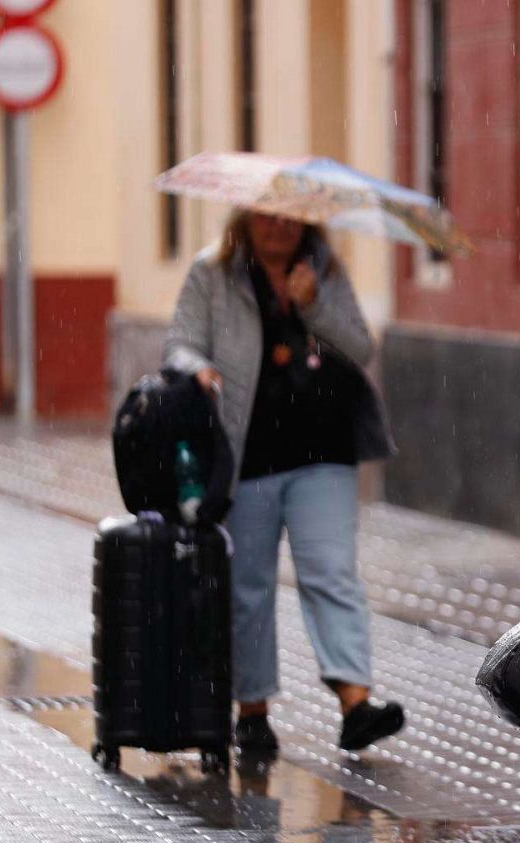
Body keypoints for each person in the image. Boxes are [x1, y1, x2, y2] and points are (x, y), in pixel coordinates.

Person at [165, 210, 405, 756]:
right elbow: (178, 342)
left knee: (332, 573)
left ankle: (354, 702)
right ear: (244, 221)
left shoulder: (323, 271)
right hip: (245, 452)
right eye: (266, 219)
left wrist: (314, 302)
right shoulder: (213, 274)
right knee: (249, 584)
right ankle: (252, 709)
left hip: (324, 451)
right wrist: (197, 370)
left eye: (290, 219)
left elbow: (361, 348)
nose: (278, 229)